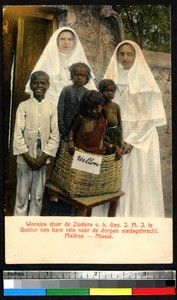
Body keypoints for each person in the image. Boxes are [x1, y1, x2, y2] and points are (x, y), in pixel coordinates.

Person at [93, 40, 166, 217]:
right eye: (122, 54)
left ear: (136, 56)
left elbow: (150, 118)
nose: (125, 58)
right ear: (117, 56)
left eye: (129, 54)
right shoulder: (109, 80)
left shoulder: (145, 81)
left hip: (140, 136)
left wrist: (131, 141)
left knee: (137, 180)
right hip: (115, 134)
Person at [13, 71, 59, 216]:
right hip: (24, 158)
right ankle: (19, 225)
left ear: (48, 85)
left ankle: (33, 225)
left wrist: (43, 157)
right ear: (31, 85)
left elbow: (55, 134)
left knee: (38, 196)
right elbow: (17, 133)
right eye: (36, 83)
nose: (39, 86)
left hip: (42, 159)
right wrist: (27, 156)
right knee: (21, 196)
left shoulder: (52, 107)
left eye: (43, 83)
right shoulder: (23, 106)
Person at [25, 27, 96, 105]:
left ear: (74, 42)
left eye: (70, 39)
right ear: (57, 41)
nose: (66, 42)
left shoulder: (81, 63)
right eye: (62, 39)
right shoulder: (47, 60)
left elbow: (89, 89)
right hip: (51, 104)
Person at [58, 62, 92, 143]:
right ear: (72, 76)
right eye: (76, 74)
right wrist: (63, 130)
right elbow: (60, 110)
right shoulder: (66, 90)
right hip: (66, 128)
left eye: (82, 75)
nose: (79, 77)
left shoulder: (88, 93)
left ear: (86, 78)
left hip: (81, 130)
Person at [68, 90, 107, 155]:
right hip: (80, 154)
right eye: (90, 108)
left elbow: (101, 139)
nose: (94, 111)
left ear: (102, 106)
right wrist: (70, 141)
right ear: (86, 107)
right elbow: (72, 130)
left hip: (95, 157)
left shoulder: (103, 122)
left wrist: (111, 147)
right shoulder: (81, 118)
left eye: (97, 108)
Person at [98, 79, 122, 154]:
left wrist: (120, 138)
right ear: (101, 91)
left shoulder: (116, 106)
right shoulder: (100, 106)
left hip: (115, 133)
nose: (110, 93)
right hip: (105, 134)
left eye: (112, 91)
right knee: (106, 152)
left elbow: (119, 123)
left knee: (115, 154)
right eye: (107, 91)